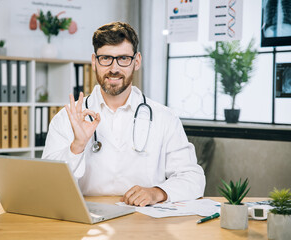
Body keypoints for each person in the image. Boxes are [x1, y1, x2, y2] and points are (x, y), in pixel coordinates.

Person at [42, 21, 205, 207]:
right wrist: (77, 146)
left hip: (144, 222)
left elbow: (193, 178)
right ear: (94, 62)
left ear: (137, 61)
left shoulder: (165, 118)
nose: (114, 68)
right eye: (106, 58)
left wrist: (157, 192)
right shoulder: (66, 118)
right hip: (86, 219)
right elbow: (48, 183)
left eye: (123, 59)